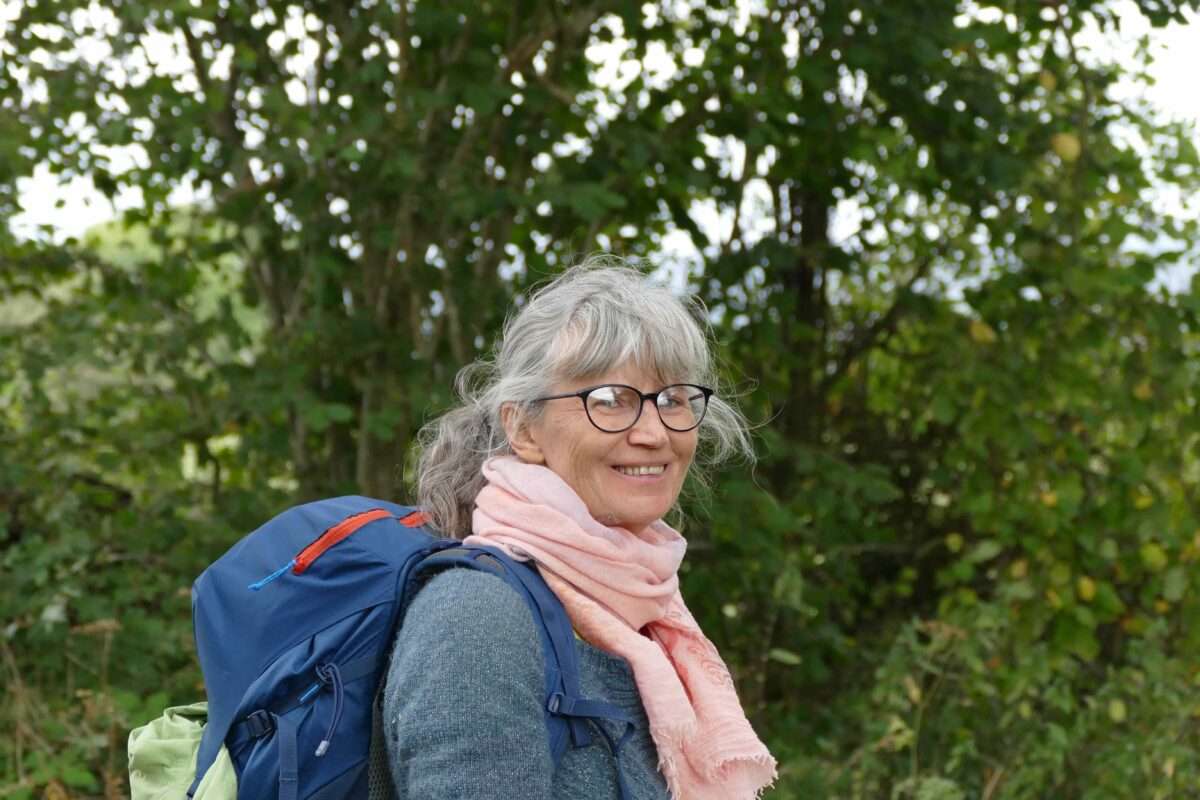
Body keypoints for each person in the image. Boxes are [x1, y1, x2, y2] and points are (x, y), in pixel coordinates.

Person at [380, 258, 777, 799]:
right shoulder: (477, 622)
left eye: (673, 398)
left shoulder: (643, 608)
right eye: (610, 401)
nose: (654, 432)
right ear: (522, 428)